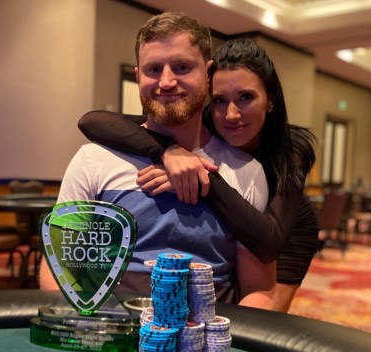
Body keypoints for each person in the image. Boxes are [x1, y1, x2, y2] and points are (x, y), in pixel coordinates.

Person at [40, 12, 276, 309]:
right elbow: (59, 267)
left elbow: (259, 289)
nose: (166, 82)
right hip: (108, 327)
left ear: (207, 72)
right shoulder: (93, 160)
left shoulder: (247, 171)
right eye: (154, 69)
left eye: (182, 67)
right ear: (138, 76)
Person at [78, 38, 318, 311]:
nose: (231, 114)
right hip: (233, 219)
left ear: (270, 100)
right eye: (219, 100)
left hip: (283, 230)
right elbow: (92, 121)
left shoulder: (292, 148)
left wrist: (200, 175)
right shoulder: (206, 126)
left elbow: (269, 243)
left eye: (246, 97)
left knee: (270, 314)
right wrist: (169, 151)